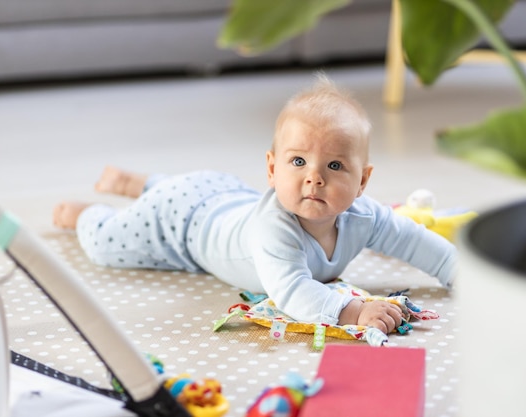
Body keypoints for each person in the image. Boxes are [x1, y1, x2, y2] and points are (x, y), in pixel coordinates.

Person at [53, 74, 457, 335]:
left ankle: (140, 183)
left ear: (363, 180)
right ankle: (90, 214)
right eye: (298, 162)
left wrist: (458, 270)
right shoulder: (274, 227)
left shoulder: (365, 215)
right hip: (180, 221)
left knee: (179, 192)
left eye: (334, 165)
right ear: (272, 167)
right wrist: (353, 312)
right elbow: (293, 291)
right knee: (108, 246)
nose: (314, 177)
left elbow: (413, 239)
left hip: (225, 196)